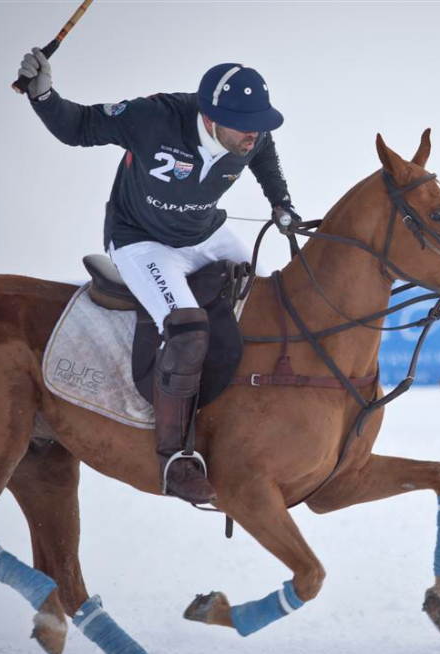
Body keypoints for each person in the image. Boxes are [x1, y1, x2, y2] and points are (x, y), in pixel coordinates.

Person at [17, 51, 302, 504]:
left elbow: (265, 159)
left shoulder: (252, 135)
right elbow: (79, 126)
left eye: (258, 124)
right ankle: (176, 457)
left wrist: (282, 203)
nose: (254, 134)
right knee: (187, 330)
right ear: (210, 118)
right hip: (141, 241)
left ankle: (261, 422)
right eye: (244, 125)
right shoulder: (154, 117)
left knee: (277, 304)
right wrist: (44, 95)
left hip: (206, 233)